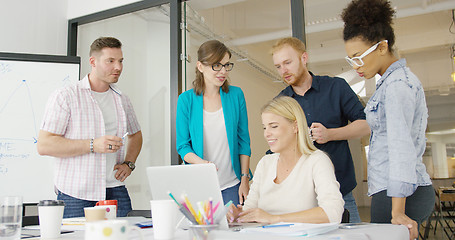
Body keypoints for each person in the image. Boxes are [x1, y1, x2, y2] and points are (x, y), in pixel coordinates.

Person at [341, 0, 435, 239]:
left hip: (399, 195)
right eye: (351, 60)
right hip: (393, 192)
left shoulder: (396, 86)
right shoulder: (391, 82)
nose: (356, 66)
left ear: (382, 47)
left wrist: (398, 212)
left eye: (359, 57)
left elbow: (400, 148)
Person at [37, 37, 143, 218]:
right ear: (93, 62)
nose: (118, 67)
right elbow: (45, 145)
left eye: (120, 61)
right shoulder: (66, 96)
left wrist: (129, 163)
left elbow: (136, 135)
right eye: (110, 61)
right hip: (76, 193)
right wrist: (93, 145)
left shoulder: (122, 98)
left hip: (115, 189)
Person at [271, 37, 370, 223]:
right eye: (278, 66)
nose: (283, 70)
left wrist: (330, 134)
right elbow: (276, 149)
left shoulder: (336, 87)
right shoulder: (280, 103)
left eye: (287, 62)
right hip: (299, 198)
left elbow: (366, 124)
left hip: (341, 193)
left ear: (304, 58)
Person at [228, 96, 344, 224]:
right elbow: (250, 209)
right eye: (265, 127)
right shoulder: (265, 163)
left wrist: (274, 219)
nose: (267, 134)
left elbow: (332, 213)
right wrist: (239, 215)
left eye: (274, 126)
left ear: (295, 126)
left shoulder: (317, 161)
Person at [176, 40, 251, 206]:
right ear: (200, 66)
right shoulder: (186, 100)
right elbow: (182, 146)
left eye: (226, 65)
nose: (223, 71)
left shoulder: (236, 95)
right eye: (216, 65)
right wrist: (201, 163)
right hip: (200, 185)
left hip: (233, 185)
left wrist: (245, 179)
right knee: (203, 232)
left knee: (235, 230)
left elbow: (243, 141)